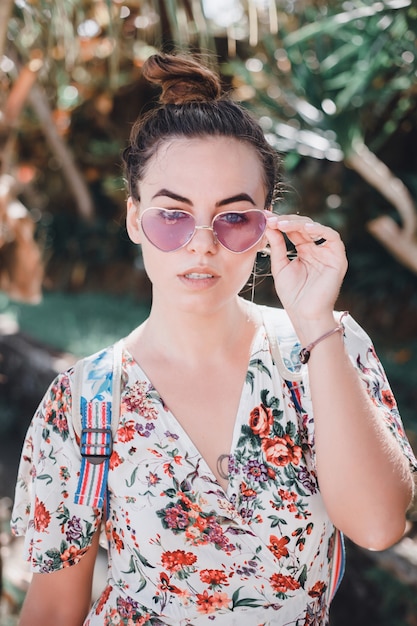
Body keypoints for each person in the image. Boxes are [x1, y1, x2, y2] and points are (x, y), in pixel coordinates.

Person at [11, 52, 416, 626]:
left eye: (233, 217)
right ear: (133, 219)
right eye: (171, 215)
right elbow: (52, 609)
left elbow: (379, 526)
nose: (201, 243)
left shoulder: (323, 350)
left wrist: (315, 322)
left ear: (267, 225)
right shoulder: (83, 402)